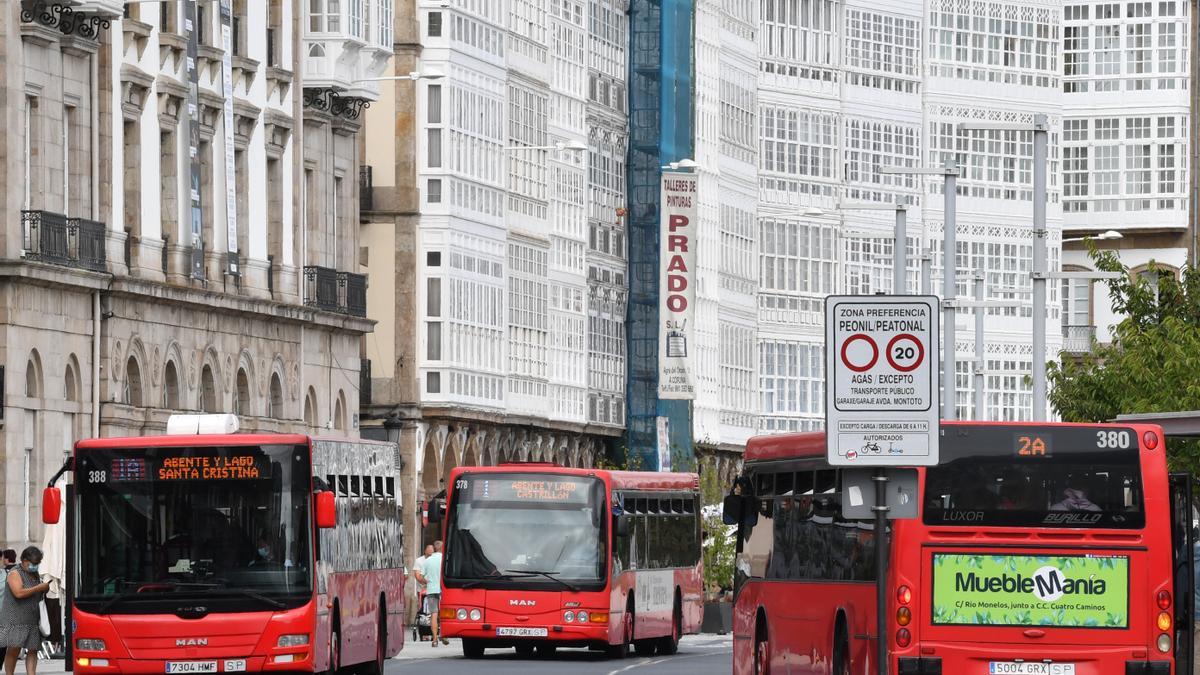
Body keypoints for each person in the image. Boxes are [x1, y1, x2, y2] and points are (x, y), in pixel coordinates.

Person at [1, 546, 52, 675]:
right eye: (32, 563)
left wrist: (44, 589)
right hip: (15, 618)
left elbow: (37, 593)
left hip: (31, 618)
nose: (34, 566)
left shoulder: (34, 574)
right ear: (23, 560)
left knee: (33, 649)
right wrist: (39, 587)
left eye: (37, 563)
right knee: (14, 648)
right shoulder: (15, 573)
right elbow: (18, 593)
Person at [415, 541, 448, 647]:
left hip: (431, 590)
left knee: (434, 614)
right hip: (444, 590)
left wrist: (427, 582)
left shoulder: (427, 561)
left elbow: (420, 577)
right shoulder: (445, 560)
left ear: (434, 548)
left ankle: (434, 639)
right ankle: (444, 634)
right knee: (444, 613)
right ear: (442, 548)